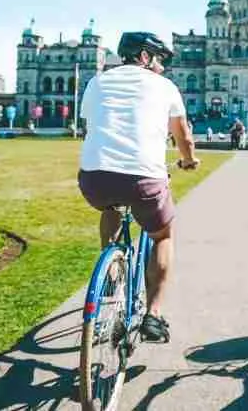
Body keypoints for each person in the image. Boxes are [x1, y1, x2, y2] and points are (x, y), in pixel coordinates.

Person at [78, 31, 199, 343]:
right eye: (159, 60)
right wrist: (188, 160)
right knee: (162, 236)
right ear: (145, 57)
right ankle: (154, 315)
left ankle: (112, 276)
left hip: (94, 177)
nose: (162, 67)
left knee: (110, 207)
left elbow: (90, 125)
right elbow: (183, 136)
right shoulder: (165, 87)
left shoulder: (96, 82)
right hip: (144, 178)